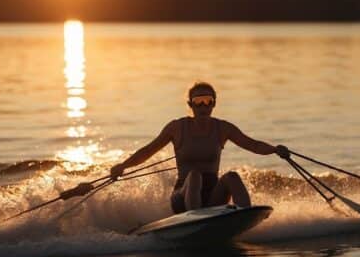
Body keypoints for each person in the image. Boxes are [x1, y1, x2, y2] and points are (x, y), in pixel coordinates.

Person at [110, 82, 289, 213]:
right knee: (194, 175)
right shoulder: (177, 127)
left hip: (213, 198)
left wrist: (275, 150)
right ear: (190, 105)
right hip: (183, 197)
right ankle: (194, 218)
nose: (204, 106)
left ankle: (245, 215)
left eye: (208, 100)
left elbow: (252, 144)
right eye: (198, 101)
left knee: (232, 176)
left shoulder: (223, 128)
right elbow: (147, 151)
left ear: (214, 103)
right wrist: (123, 166)